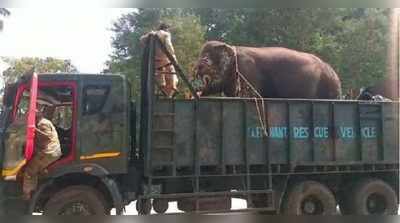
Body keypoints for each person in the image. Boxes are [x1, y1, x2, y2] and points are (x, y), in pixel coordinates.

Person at [22, 108, 62, 200]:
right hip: (51, 151)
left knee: (29, 170)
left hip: (49, 152)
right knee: (38, 167)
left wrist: (33, 129)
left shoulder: (42, 123)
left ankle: (27, 195)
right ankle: (38, 187)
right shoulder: (43, 122)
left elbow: (47, 137)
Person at [140, 23, 179, 97]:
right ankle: (174, 86)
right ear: (166, 28)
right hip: (165, 59)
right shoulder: (166, 34)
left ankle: (162, 84)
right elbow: (169, 47)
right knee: (172, 71)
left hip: (155, 61)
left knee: (160, 73)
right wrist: (173, 56)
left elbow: (142, 40)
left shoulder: (152, 34)